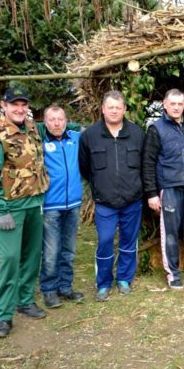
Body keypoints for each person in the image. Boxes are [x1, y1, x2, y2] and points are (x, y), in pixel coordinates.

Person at [0, 87, 50, 338]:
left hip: (34, 205)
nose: (19, 109)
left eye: (23, 104)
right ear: (4, 105)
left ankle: (25, 300)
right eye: (14, 105)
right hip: (9, 209)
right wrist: (0, 211)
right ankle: (3, 315)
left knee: (32, 256)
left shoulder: (32, 128)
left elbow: (57, 125)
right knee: (10, 259)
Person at [79, 90, 145, 301]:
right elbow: (84, 168)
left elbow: (145, 165)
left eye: (118, 107)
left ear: (124, 109)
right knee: (105, 241)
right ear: (103, 109)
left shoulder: (137, 133)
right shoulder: (90, 135)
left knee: (128, 241)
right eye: (110, 107)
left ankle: (124, 279)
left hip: (132, 200)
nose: (114, 111)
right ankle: (104, 283)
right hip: (105, 202)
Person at [142, 89, 184, 290]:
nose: (177, 107)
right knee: (170, 233)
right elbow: (148, 162)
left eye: (180, 103)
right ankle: (173, 273)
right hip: (169, 188)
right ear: (165, 104)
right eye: (173, 104)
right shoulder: (156, 129)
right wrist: (152, 193)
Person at [38, 105, 85, 308]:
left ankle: (65, 286)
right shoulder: (39, 141)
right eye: (51, 119)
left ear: (66, 120)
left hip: (73, 203)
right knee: (51, 251)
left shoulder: (76, 138)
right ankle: (49, 290)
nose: (56, 123)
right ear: (44, 122)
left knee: (69, 250)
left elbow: (84, 128)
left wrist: (70, 125)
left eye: (60, 119)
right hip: (51, 205)